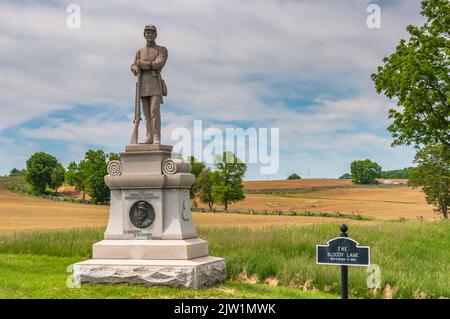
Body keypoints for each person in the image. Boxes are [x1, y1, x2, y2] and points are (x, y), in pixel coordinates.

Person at [131, 25, 168, 144]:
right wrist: (135, 68)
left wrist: (143, 64)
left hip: (155, 82)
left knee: (154, 111)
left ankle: (156, 137)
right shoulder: (139, 51)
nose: (150, 35)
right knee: (146, 113)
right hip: (142, 84)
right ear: (144, 35)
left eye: (152, 33)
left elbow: (159, 63)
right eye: (147, 33)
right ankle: (149, 137)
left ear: (155, 35)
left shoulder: (162, 50)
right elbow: (133, 65)